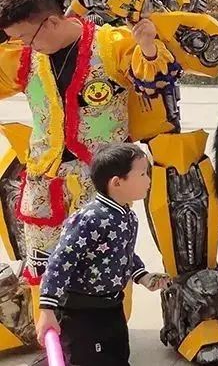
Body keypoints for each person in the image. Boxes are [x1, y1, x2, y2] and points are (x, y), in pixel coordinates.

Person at [0, 0, 177, 289]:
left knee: (104, 268)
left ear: (52, 23)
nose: (26, 44)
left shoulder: (111, 45)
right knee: (43, 272)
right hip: (46, 179)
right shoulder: (24, 56)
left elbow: (154, 81)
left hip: (101, 179)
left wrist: (147, 47)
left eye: (28, 37)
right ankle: (51, 335)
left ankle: (100, 335)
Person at [34, 144, 168, 366]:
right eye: (143, 174)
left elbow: (122, 252)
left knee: (116, 357)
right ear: (117, 182)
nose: (148, 179)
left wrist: (143, 276)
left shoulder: (127, 217)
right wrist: (47, 309)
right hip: (82, 312)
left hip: (112, 307)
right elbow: (60, 263)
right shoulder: (89, 219)